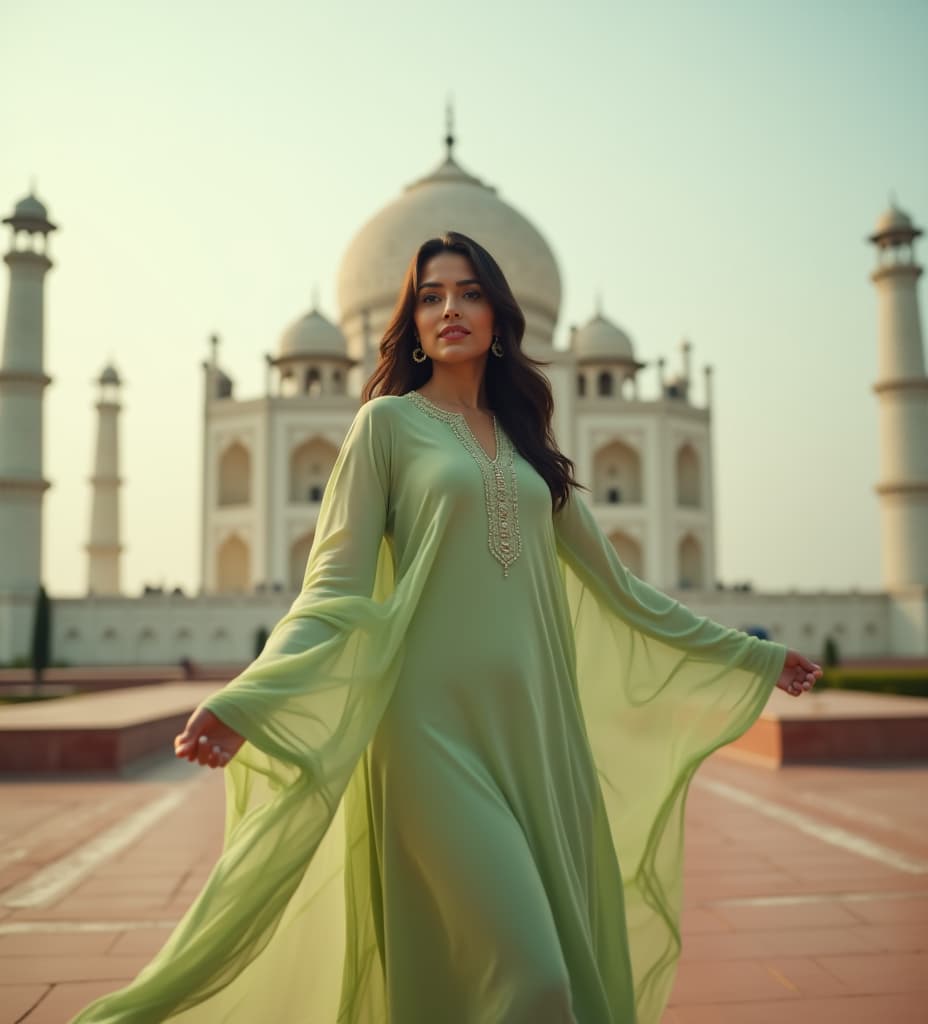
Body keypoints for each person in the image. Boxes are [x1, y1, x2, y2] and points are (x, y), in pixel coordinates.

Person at [73, 232, 820, 1024]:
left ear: (502, 314)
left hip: (535, 736)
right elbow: (331, 589)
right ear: (410, 320)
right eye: (430, 296)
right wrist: (250, 697)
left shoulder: (533, 450)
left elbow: (626, 592)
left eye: (468, 293)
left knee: (514, 981)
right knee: (534, 983)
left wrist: (752, 655)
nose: (450, 309)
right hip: (428, 734)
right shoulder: (385, 427)